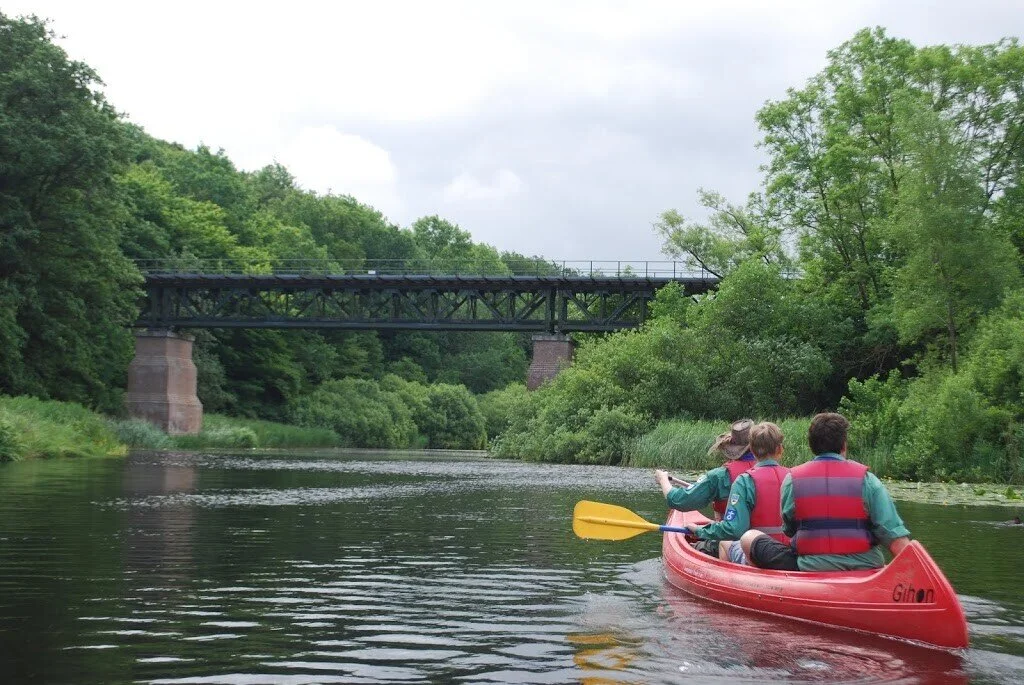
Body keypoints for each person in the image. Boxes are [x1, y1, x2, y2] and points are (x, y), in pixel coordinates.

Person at [740, 413, 911, 572]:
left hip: (809, 567)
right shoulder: (867, 480)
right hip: (865, 567)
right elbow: (895, 538)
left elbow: (789, 529)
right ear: (844, 445)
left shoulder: (793, 479)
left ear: (812, 446)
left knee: (749, 538)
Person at [680, 422, 790, 565]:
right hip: (790, 554)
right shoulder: (795, 478)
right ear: (780, 449)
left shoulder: (744, 481)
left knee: (724, 543)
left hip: (758, 556)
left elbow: (733, 530)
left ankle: (729, 579)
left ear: (752, 450)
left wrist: (700, 531)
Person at [655, 419, 755, 556]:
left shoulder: (719, 476)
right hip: (768, 545)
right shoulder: (776, 473)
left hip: (732, 544)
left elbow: (677, 500)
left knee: (697, 546)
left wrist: (663, 479)